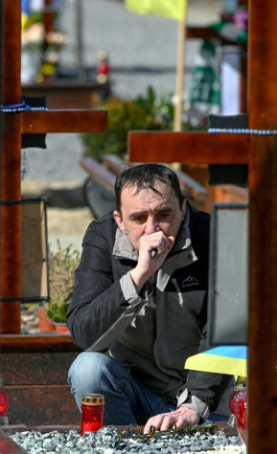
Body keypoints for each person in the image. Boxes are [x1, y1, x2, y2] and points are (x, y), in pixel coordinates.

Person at [66, 164, 233, 433]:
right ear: (119, 220)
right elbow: (85, 334)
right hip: (136, 392)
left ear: (184, 209)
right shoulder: (103, 236)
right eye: (139, 218)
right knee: (88, 369)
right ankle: (121, 447)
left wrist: (191, 408)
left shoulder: (215, 237)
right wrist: (138, 275)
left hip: (203, 401)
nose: (152, 229)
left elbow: (223, 333)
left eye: (164, 214)